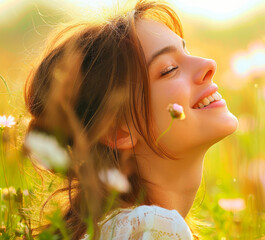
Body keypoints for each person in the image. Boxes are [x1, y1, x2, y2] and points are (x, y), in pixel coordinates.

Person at [23, 1, 238, 239]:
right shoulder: (151, 230)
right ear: (117, 132)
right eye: (169, 69)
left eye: (187, 51)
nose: (209, 64)